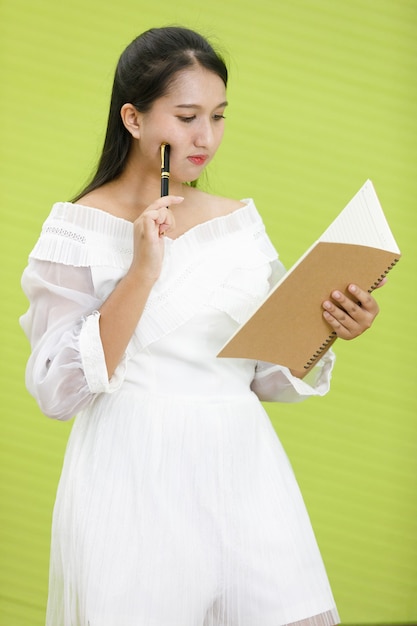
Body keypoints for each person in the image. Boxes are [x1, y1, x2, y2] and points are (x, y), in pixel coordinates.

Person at [20, 26, 381, 626]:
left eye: (217, 116)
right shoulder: (76, 229)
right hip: (133, 472)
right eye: (186, 117)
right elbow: (59, 391)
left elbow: (264, 375)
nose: (205, 138)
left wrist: (330, 328)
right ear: (133, 118)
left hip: (245, 467)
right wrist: (141, 272)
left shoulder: (238, 222)